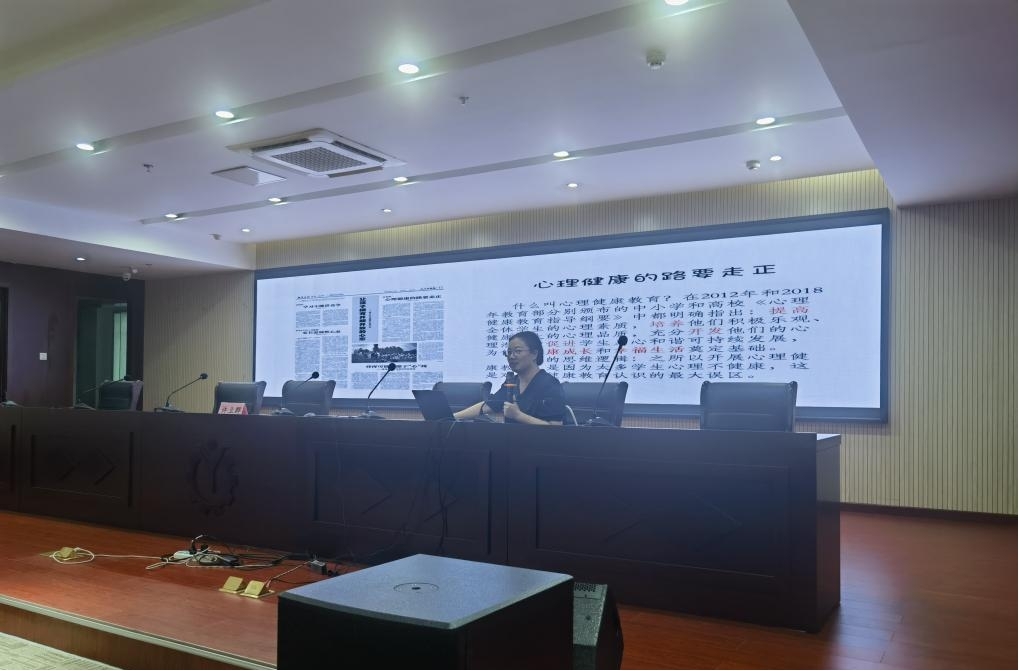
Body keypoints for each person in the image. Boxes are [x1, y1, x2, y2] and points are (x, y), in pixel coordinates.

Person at [454, 331, 564, 425]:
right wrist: (453, 417)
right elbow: (488, 406)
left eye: (518, 351)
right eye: (509, 352)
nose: (511, 356)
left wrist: (518, 415)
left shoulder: (550, 384)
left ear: (534, 354)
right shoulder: (512, 382)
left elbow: (555, 427)